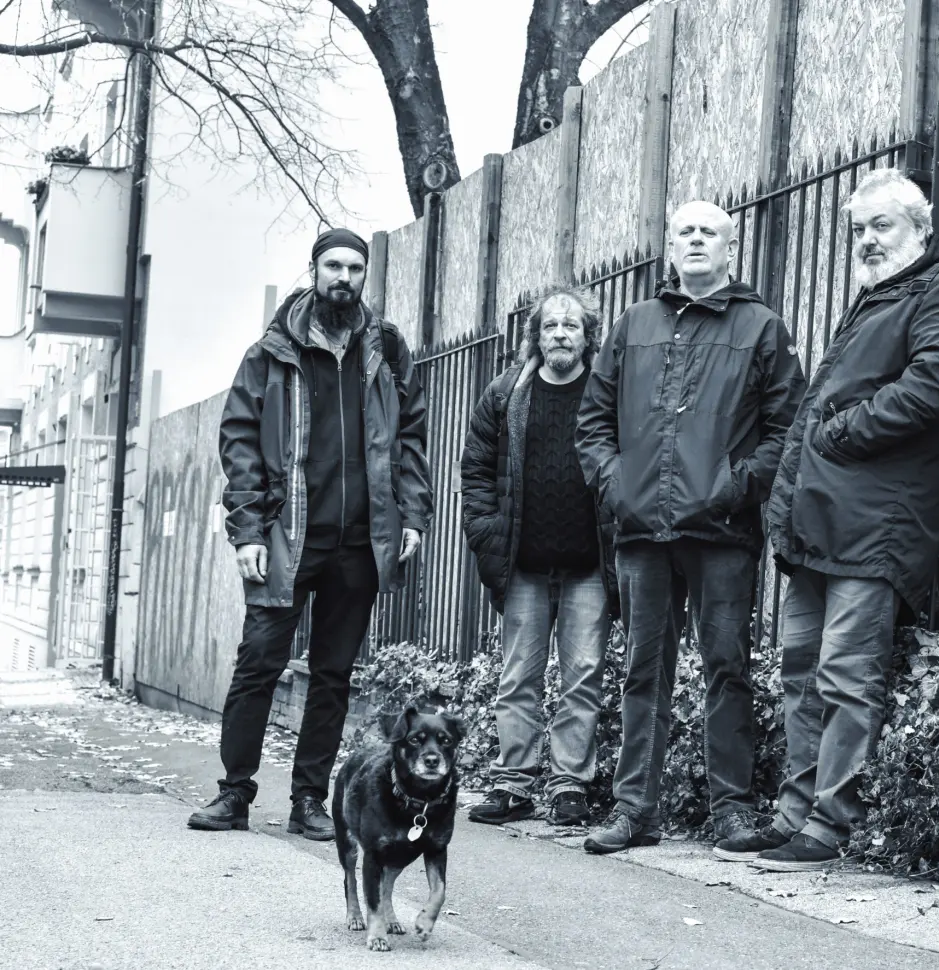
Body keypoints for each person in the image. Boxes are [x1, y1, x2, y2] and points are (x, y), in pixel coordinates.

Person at [721, 168, 939, 871]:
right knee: (802, 672)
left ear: (919, 228)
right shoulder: (879, 295)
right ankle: (792, 817)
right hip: (822, 522)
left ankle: (828, 826)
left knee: (845, 674)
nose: (866, 240)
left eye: (880, 226)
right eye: (858, 230)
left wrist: (840, 433)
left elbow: (933, 385)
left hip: (877, 525)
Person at [575, 200, 807, 854]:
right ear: (670, 247)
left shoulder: (761, 327)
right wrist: (617, 487)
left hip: (722, 532)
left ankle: (731, 811)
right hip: (642, 530)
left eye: (710, 231)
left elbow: (787, 428)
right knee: (642, 670)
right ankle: (634, 810)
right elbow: (593, 423)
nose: (697, 239)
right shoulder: (634, 324)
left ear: (731, 247)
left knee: (727, 667)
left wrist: (735, 487)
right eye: (686, 231)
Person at [189, 227, 432, 839]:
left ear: (365, 276)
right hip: (285, 536)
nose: (343, 277)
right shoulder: (270, 352)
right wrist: (247, 529)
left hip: (360, 541)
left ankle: (308, 800)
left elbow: (410, 438)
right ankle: (234, 793)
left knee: (332, 675)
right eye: (333, 266)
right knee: (258, 664)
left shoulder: (388, 349)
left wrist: (412, 515)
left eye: (354, 268)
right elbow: (239, 441)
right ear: (314, 271)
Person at [459, 286, 619, 828]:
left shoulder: (607, 393)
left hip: (588, 565)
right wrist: (485, 533)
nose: (560, 334)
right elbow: (476, 469)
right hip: (523, 564)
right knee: (517, 677)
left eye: (571, 326)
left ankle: (569, 785)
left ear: (588, 336)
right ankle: (513, 783)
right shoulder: (507, 392)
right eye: (550, 325)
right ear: (536, 335)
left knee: (583, 678)